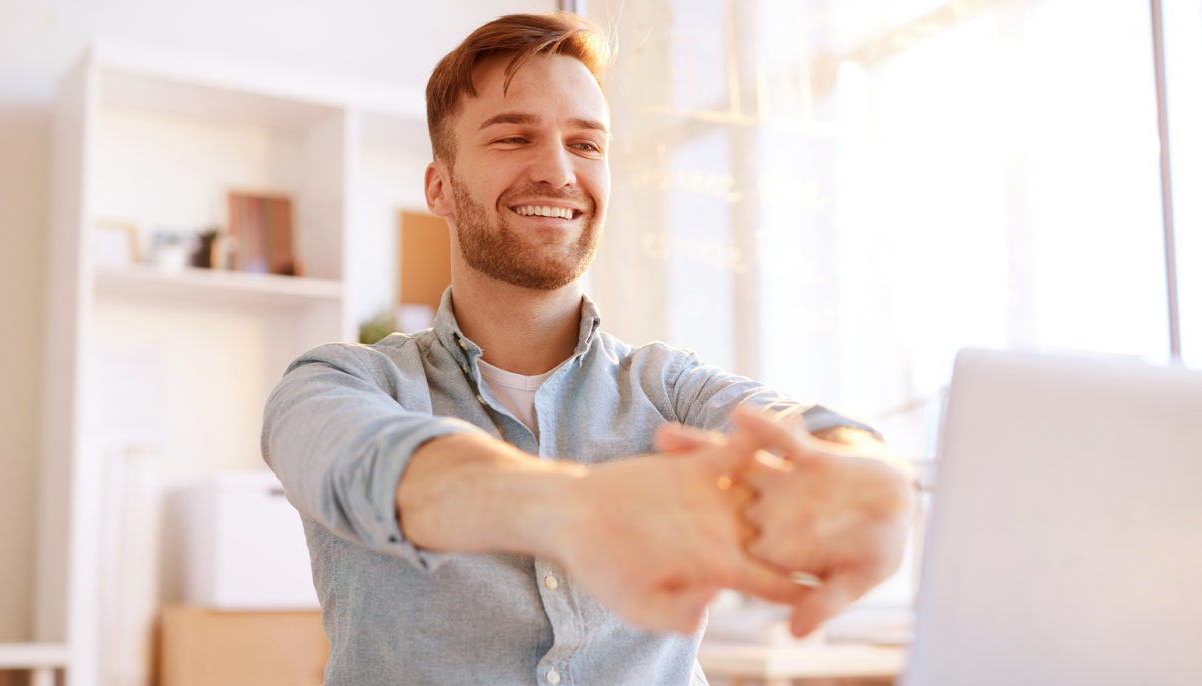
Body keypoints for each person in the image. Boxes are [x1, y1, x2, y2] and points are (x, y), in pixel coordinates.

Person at [261, 12, 914, 686]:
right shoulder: (338, 382)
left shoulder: (670, 387)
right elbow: (365, 464)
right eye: (513, 137)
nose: (558, 171)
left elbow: (807, 431)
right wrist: (572, 510)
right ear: (439, 187)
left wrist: (865, 471)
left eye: (586, 144)